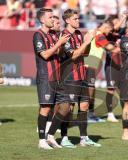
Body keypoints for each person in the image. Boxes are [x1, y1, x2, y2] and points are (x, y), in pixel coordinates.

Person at [47, 9, 101, 148]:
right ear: (67, 20)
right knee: (67, 108)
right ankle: (62, 137)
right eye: (75, 19)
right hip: (70, 77)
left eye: (78, 18)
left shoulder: (78, 34)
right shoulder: (63, 35)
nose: (78, 21)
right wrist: (86, 41)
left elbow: (85, 53)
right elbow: (73, 55)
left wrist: (89, 42)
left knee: (84, 106)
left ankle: (84, 138)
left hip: (82, 74)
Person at [32, 8, 69, 149]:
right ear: (42, 20)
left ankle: (51, 135)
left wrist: (62, 43)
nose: (53, 19)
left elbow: (58, 54)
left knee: (65, 106)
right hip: (45, 77)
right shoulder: (38, 35)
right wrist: (59, 44)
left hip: (57, 77)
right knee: (46, 108)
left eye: (53, 17)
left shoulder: (53, 35)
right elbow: (45, 55)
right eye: (50, 17)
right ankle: (42, 140)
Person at [84, 18, 121, 123]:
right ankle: (85, 115)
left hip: (91, 64)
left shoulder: (96, 32)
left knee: (92, 90)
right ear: (106, 27)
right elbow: (111, 48)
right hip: (89, 64)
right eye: (110, 30)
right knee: (89, 91)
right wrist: (124, 47)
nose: (110, 33)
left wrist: (122, 18)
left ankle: (90, 114)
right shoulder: (99, 35)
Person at [104, 14, 127, 122]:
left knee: (123, 90)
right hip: (111, 66)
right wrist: (123, 17)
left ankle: (125, 113)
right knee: (111, 90)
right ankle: (110, 113)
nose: (120, 23)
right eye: (116, 21)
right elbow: (115, 28)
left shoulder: (121, 33)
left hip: (121, 65)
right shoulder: (108, 35)